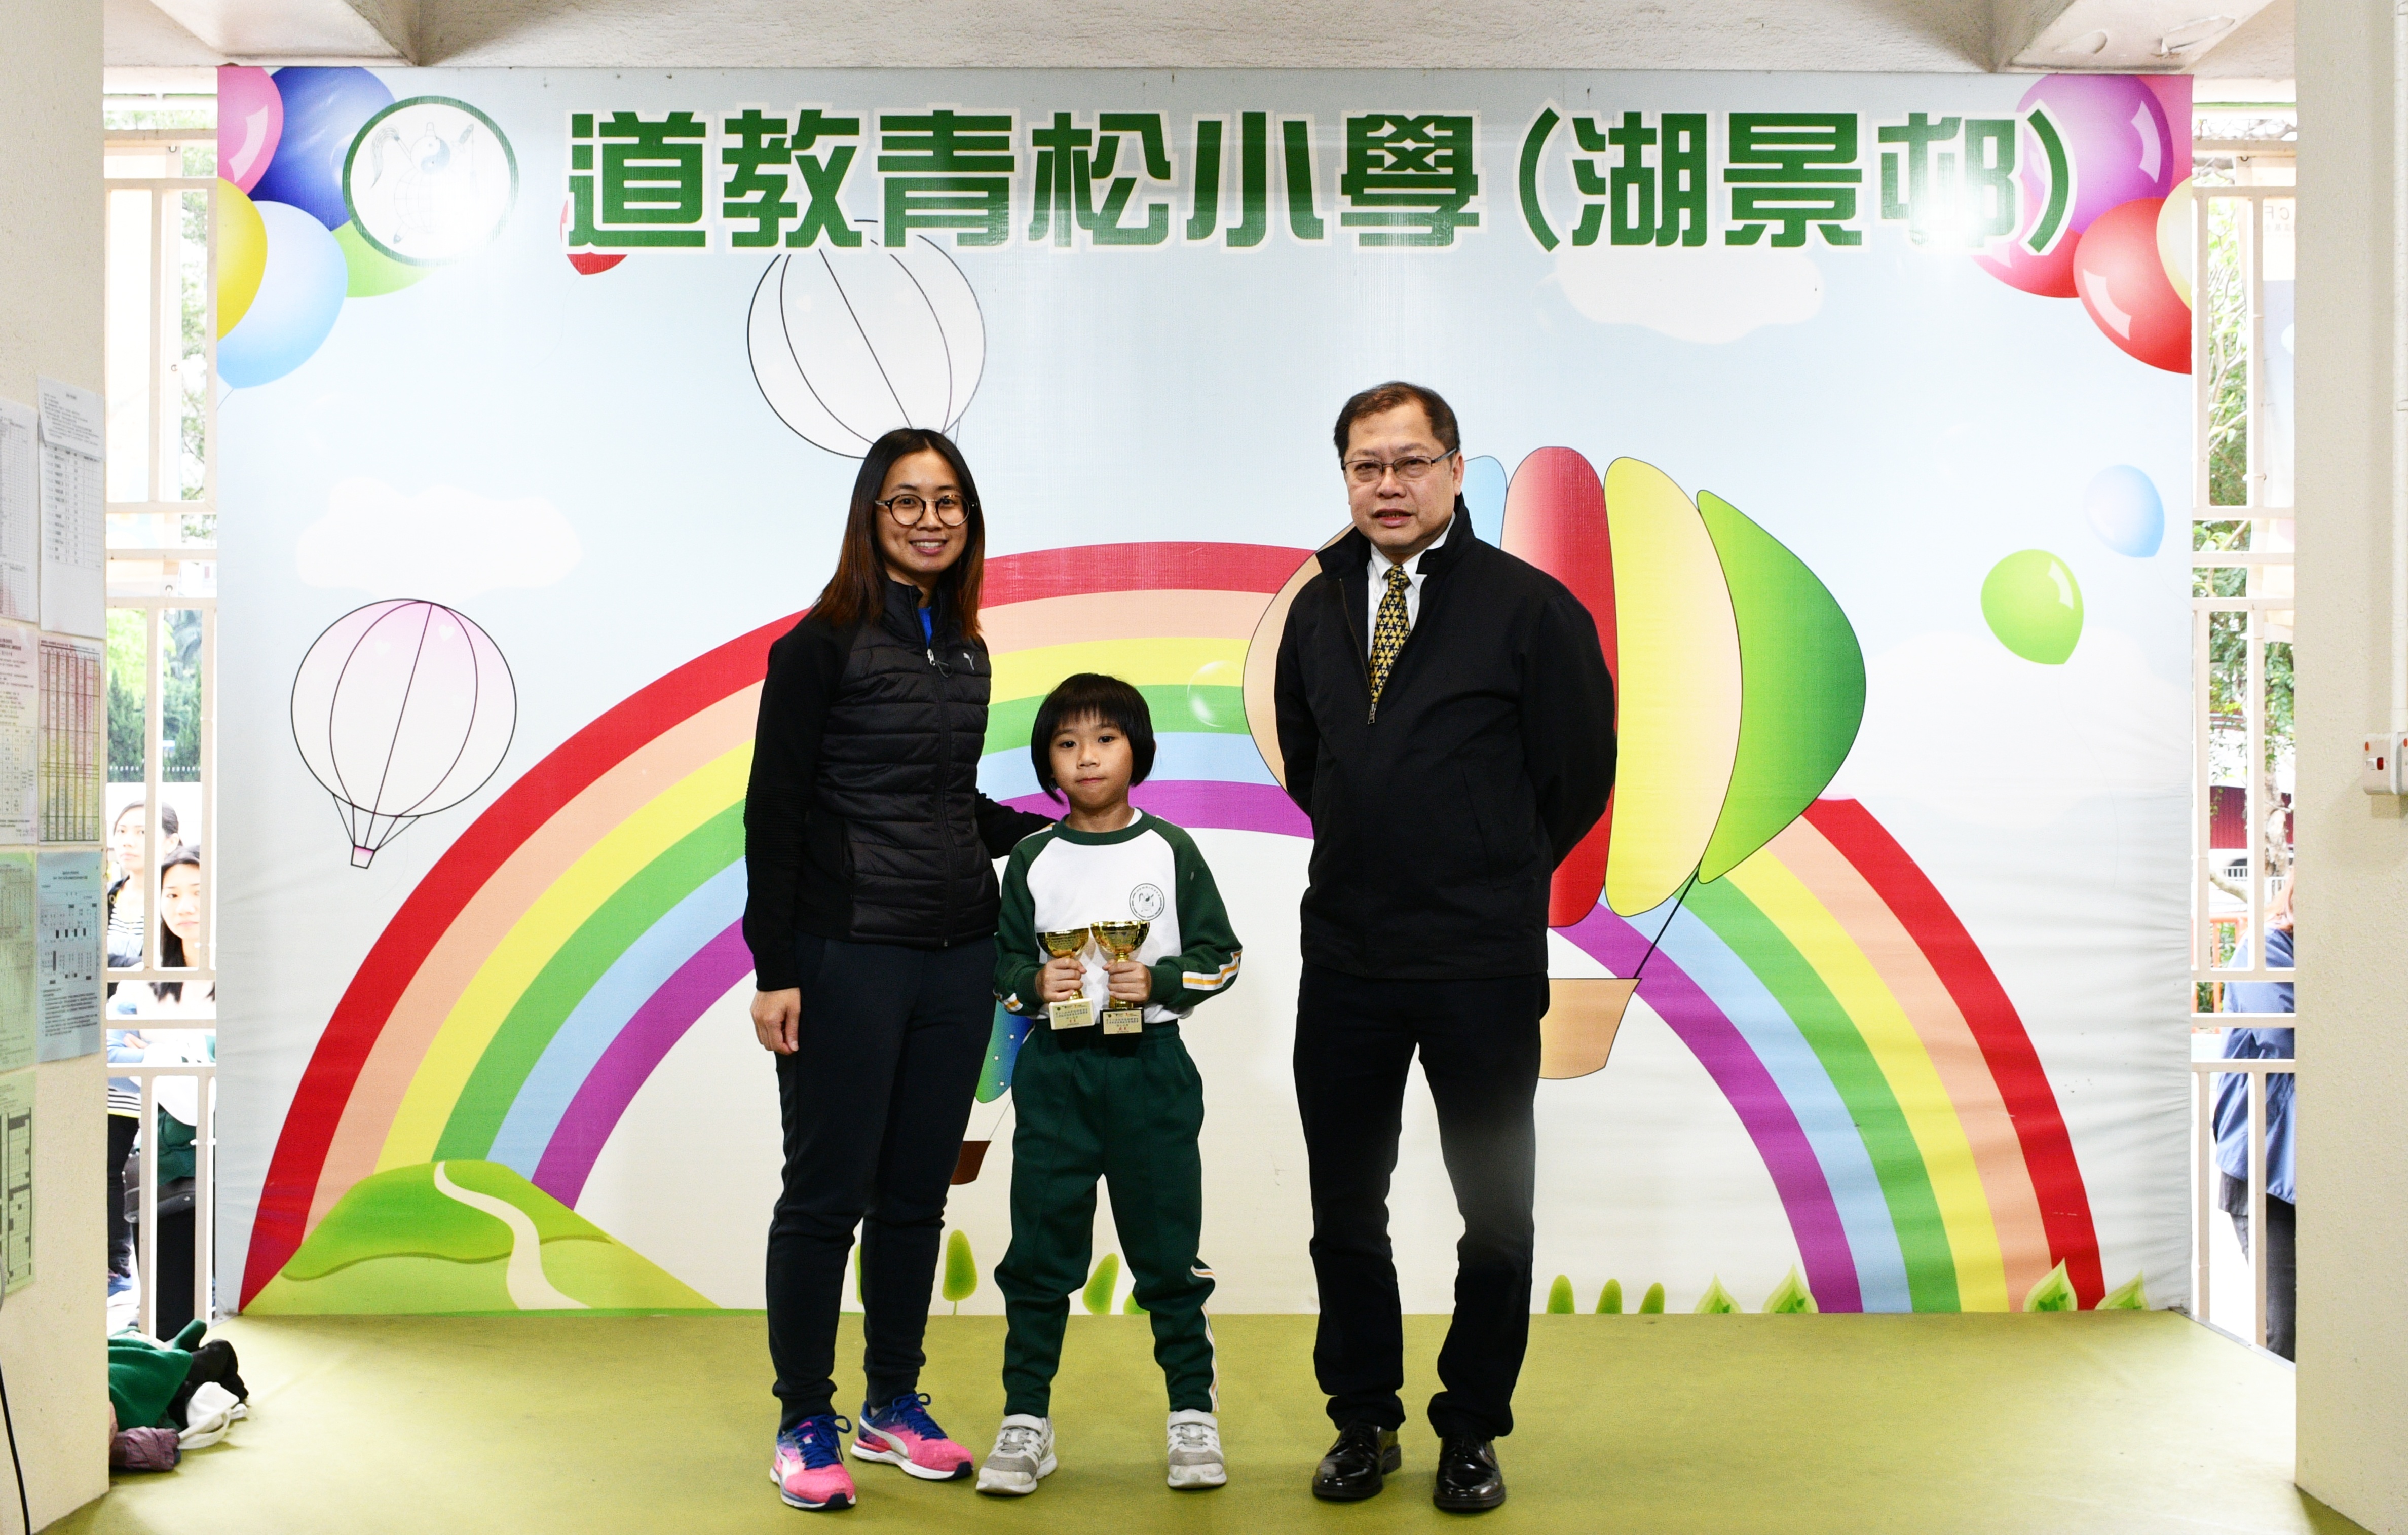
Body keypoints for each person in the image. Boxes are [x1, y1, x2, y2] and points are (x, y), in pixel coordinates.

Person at [1273, 382, 1615, 1512]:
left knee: (1496, 1213)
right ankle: (1362, 1417)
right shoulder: (1318, 603)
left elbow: (1576, 774)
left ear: (1457, 470)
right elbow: (1315, 763)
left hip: (1479, 962)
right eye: (1366, 465)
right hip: (1349, 959)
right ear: (1345, 476)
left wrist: (1486, 860)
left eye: (1411, 461)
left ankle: (1471, 1425)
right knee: (1344, 1207)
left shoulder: (1530, 608)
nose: (1390, 485)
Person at [743, 427, 1054, 1513]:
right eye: (907, 500)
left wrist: (1056, 831)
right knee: (825, 1196)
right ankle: (803, 1416)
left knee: (916, 1196)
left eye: (948, 499)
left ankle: (891, 1403)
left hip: (957, 953)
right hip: (846, 954)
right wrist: (775, 967)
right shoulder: (817, 646)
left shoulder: (963, 647)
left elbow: (944, 799)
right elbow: (776, 813)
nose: (930, 518)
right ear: (871, 515)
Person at [977, 674, 1244, 1498]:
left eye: (1104, 739)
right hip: (1056, 1074)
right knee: (1039, 1252)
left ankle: (1191, 1411)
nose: (1086, 757)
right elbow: (1002, 964)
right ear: (1048, 762)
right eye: (1066, 743)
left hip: (1151, 1073)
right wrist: (1035, 981)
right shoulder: (1033, 857)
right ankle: (1027, 1418)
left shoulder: (1170, 849)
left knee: (1168, 1255)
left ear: (1137, 750)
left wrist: (1158, 980)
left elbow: (1223, 955)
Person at [112, 844, 214, 1337]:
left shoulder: (246, 974)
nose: (184, 906)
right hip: (163, 1165)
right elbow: (111, 1054)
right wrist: (179, 1056)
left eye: (197, 891)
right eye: (171, 894)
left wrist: (156, 1050)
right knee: (169, 1314)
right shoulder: (144, 978)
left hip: (233, 1165)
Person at [2213, 876, 2296, 1360]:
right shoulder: (2263, 948)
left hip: (2319, 1166)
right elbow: (2288, 1037)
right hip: (2266, 1166)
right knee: (2287, 1330)